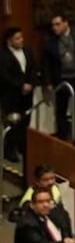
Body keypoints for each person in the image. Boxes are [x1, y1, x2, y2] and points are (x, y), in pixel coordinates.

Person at [40, 14, 75, 142]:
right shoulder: (49, 41)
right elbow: (46, 64)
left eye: (57, 24)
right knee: (60, 110)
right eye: (53, 25)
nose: (54, 28)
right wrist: (48, 83)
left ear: (66, 23)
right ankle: (62, 136)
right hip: (61, 79)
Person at [0, 27, 37, 169]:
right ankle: (10, 150)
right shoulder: (3, 55)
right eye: (17, 38)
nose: (21, 40)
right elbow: (4, 76)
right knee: (12, 123)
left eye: (21, 37)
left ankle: (23, 146)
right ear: (9, 40)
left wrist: (30, 84)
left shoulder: (28, 51)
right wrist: (21, 85)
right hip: (11, 95)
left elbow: (33, 69)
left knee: (25, 121)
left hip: (27, 95)